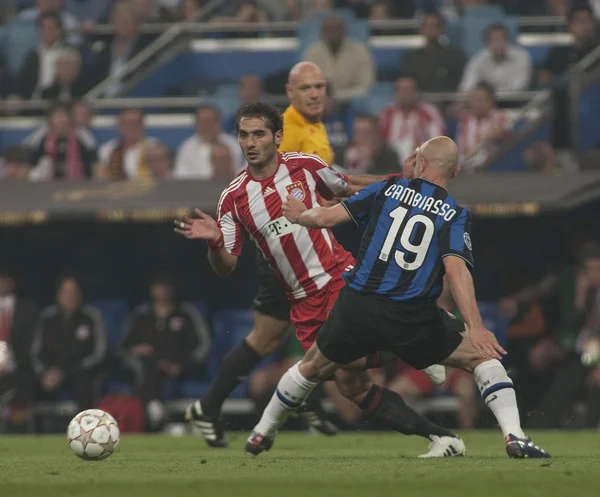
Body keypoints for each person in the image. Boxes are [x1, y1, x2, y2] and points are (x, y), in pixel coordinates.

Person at [181, 62, 443, 449]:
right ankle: (441, 436)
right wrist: (215, 243)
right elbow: (227, 267)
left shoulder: (305, 163)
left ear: (277, 137)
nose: (251, 142)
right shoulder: (232, 199)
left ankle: (422, 336)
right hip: (300, 300)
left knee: (342, 360)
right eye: (243, 135)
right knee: (351, 386)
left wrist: (400, 184)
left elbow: (348, 187)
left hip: (338, 277)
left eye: (258, 134)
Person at [250, 136, 550, 459]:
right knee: (483, 359)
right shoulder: (453, 213)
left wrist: (299, 214)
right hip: (411, 317)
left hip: (357, 306)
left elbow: (324, 218)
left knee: (310, 367)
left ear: (420, 163)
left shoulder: (386, 190)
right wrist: (475, 326)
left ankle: (262, 433)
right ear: (457, 170)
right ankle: (515, 436)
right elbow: (457, 272)